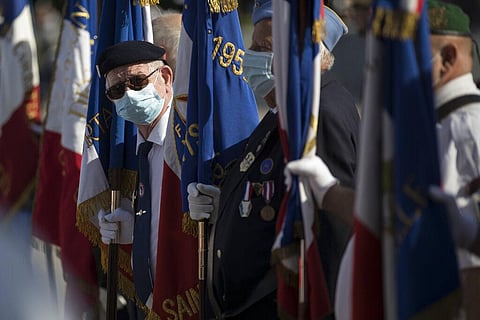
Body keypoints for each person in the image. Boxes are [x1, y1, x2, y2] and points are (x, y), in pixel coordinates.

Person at [289, 1, 480, 318]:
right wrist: (329, 192)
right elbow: (389, 218)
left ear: (447, 59)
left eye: (404, 56)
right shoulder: (428, 126)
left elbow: (473, 271)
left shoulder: (468, 129)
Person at [187, 2, 360, 318]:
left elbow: (332, 230)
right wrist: (223, 200)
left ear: (301, 55)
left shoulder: (320, 114)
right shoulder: (283, 110)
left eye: (262, 47)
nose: (246, 55)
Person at [95, 40, 174, 318]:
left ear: (164, 78)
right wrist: (132, 235)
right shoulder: (132, 152)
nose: (128, 94)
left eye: (138, 81)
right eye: (117, 90)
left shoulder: (189, 144)